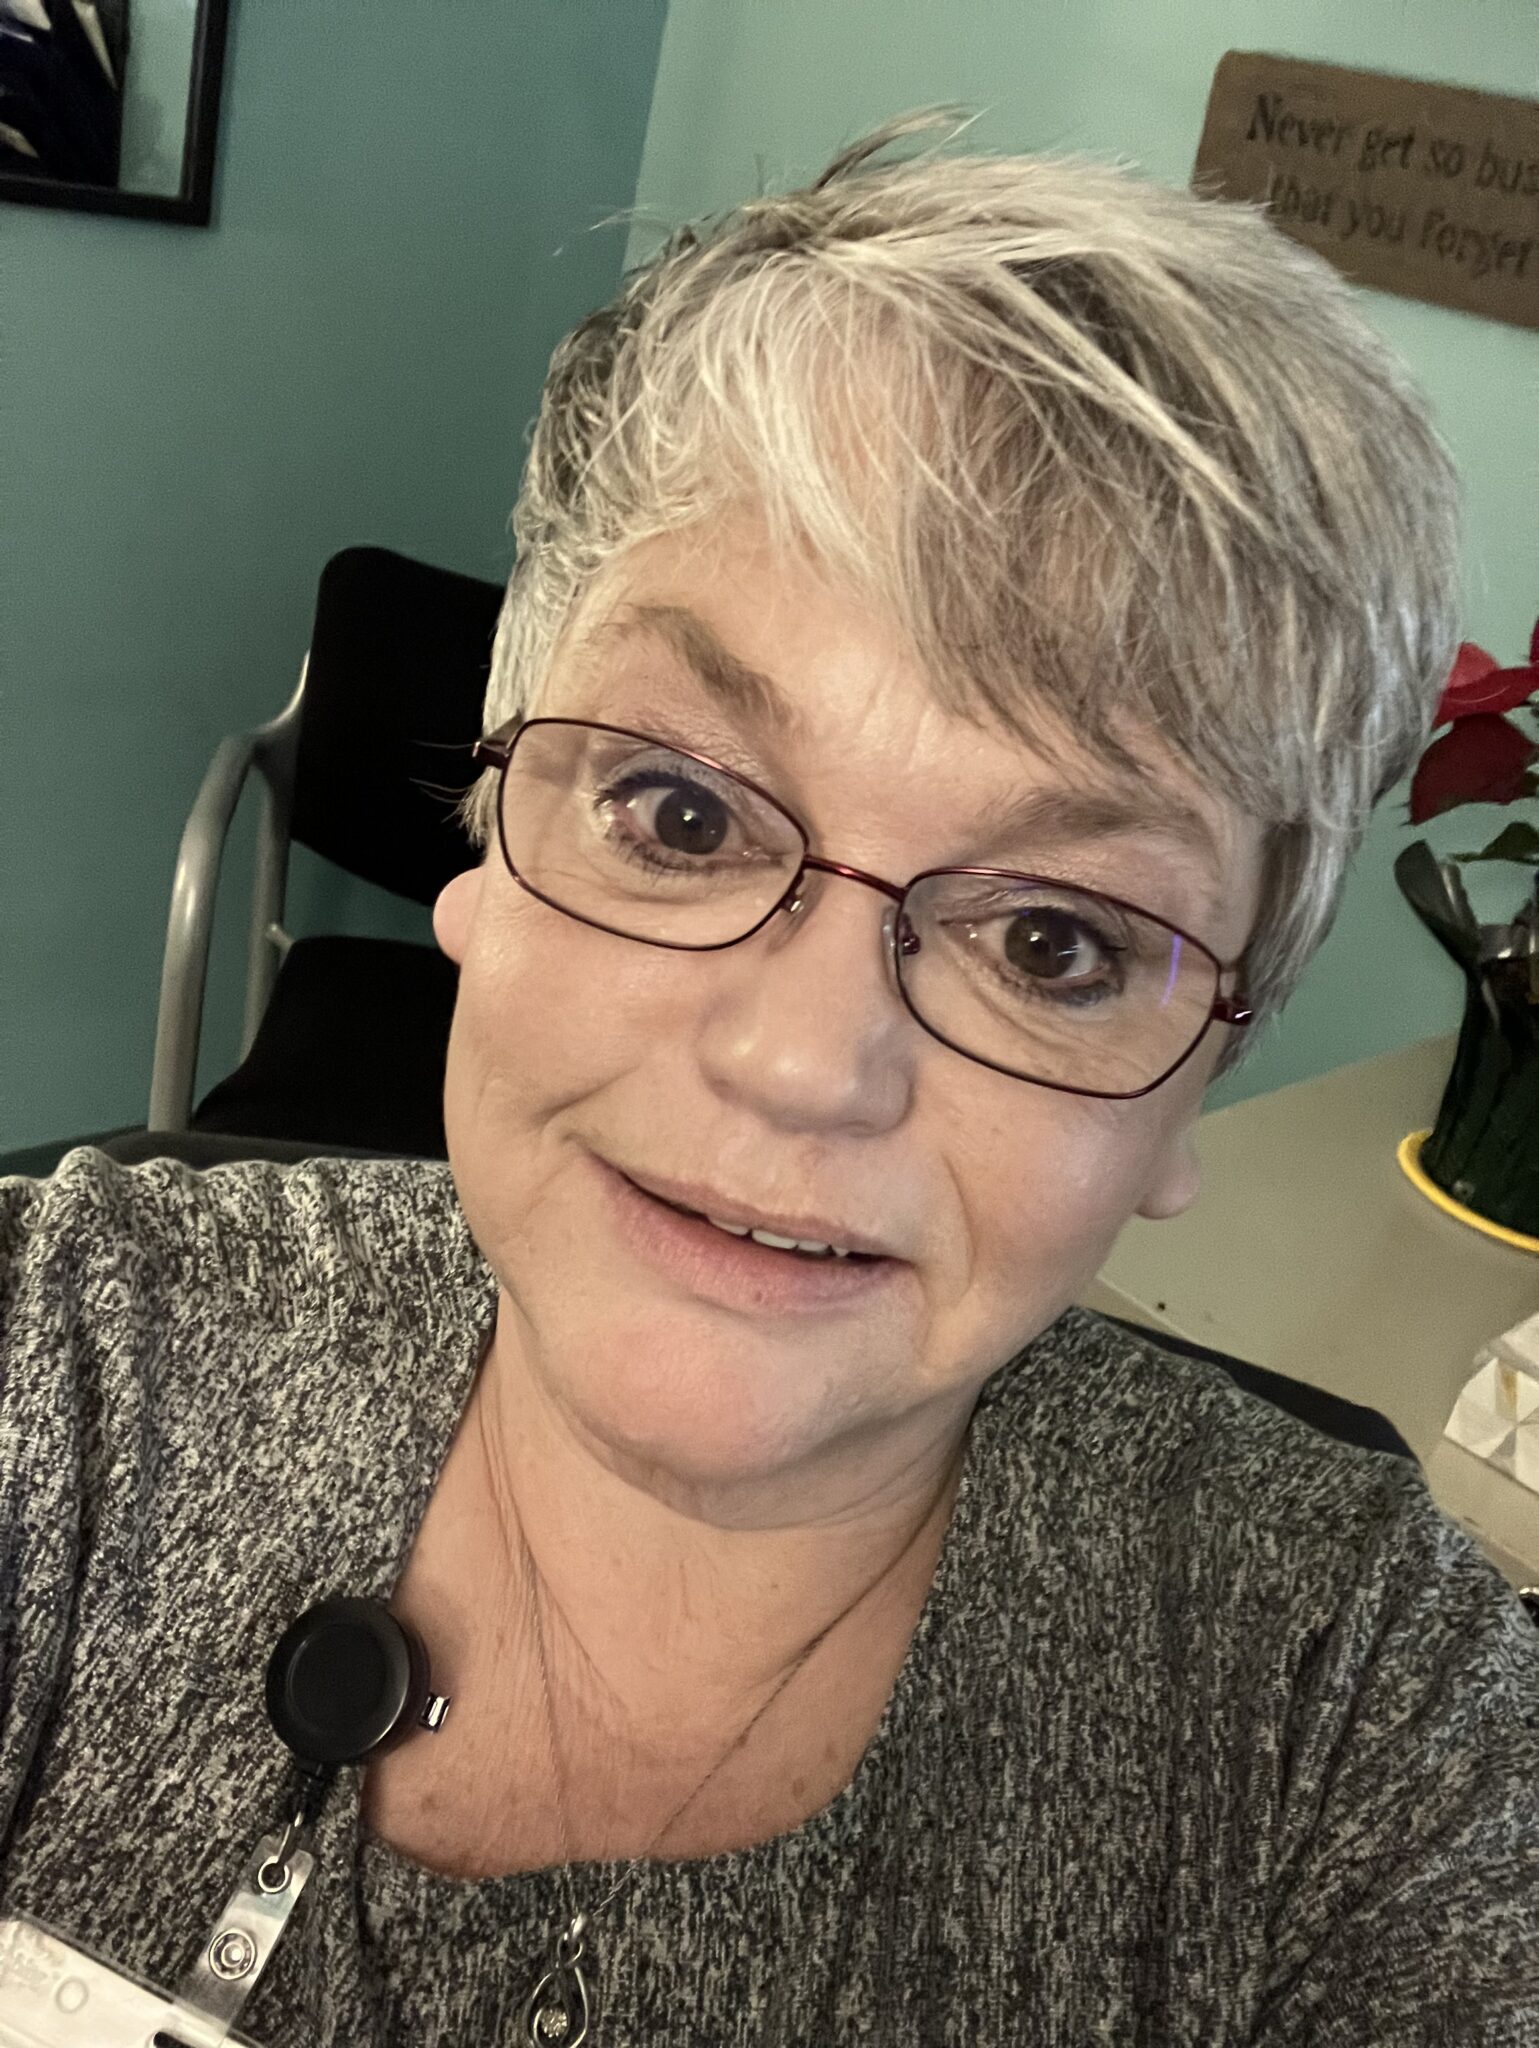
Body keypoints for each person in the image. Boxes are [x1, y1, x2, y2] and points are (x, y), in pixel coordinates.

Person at [2, 106, 1535, 2048]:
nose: (804, 1063)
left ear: (1188, 1092)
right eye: (680, 810)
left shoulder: (1355, 1717)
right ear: (482, 863)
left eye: (1051, 941)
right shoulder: (72, 1370)